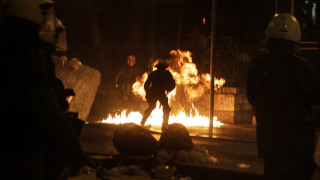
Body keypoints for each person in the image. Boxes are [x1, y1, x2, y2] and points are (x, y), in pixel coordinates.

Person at [0, 0, 87, 179]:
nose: (47, 21)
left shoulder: (11, 43)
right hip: (20, 145)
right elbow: (42, 103)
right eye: (45, 13)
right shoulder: (28, 49)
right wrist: (71, 146)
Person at [246, 13, 320, 180]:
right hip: (299, 146)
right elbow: (316, 95)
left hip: (269, 144)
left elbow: (251, 97)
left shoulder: (258, 67)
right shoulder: (302, 68)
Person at [140, 60, 176, 132]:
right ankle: (164, 125)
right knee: (165, 108)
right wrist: (168, 90)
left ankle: (143, 122)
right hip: (160, 93)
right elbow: (172, 84)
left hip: (156, 92)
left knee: (153, 107)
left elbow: (146, 84)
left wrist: (147, 92)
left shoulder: (154, 74)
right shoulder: (166, 74)